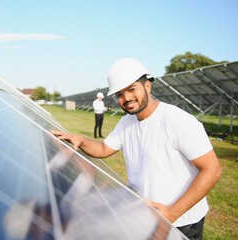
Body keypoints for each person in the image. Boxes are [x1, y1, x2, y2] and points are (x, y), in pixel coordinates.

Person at [52, 58, 222, 240]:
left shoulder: (177, 121)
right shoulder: (127, 122)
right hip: (144, 217)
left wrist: (171, 215)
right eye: (119, 94)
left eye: (132, 89)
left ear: (147, 86)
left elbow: (212, 170)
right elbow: (103, 149)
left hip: (181, 222)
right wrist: (80, 139)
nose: (126, 98)